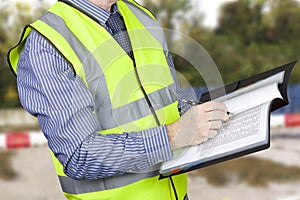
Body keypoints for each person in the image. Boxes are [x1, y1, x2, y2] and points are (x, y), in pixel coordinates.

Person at [8, 0, 228, 199]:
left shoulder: (140, 16)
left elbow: (170, 101)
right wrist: (175, 135)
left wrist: (207, 117)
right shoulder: (46, 46)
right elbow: (80, 155)